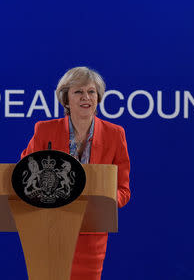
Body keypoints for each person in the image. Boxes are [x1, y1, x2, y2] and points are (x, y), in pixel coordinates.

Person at [21, 66, 131, 280]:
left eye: (91, 92)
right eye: (78, 92)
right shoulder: (44, 130)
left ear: (98, 97)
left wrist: (105, 201)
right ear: (66, 98)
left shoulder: (115, 135)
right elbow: (24, 174)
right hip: (50, 233)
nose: (86, 97)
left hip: (92, 237)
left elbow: (123, 190)